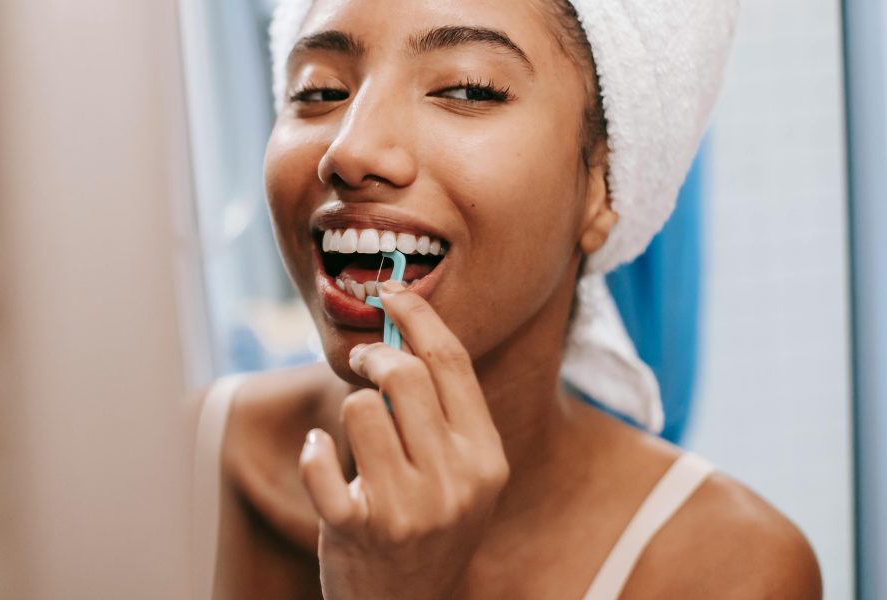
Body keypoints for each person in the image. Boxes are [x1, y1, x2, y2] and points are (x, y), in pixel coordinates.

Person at [192, 0, 822, 597]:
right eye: (319, 91)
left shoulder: (732, 572)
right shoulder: (176, 458)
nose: (349, 151)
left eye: (466, 89)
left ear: (606, 183)